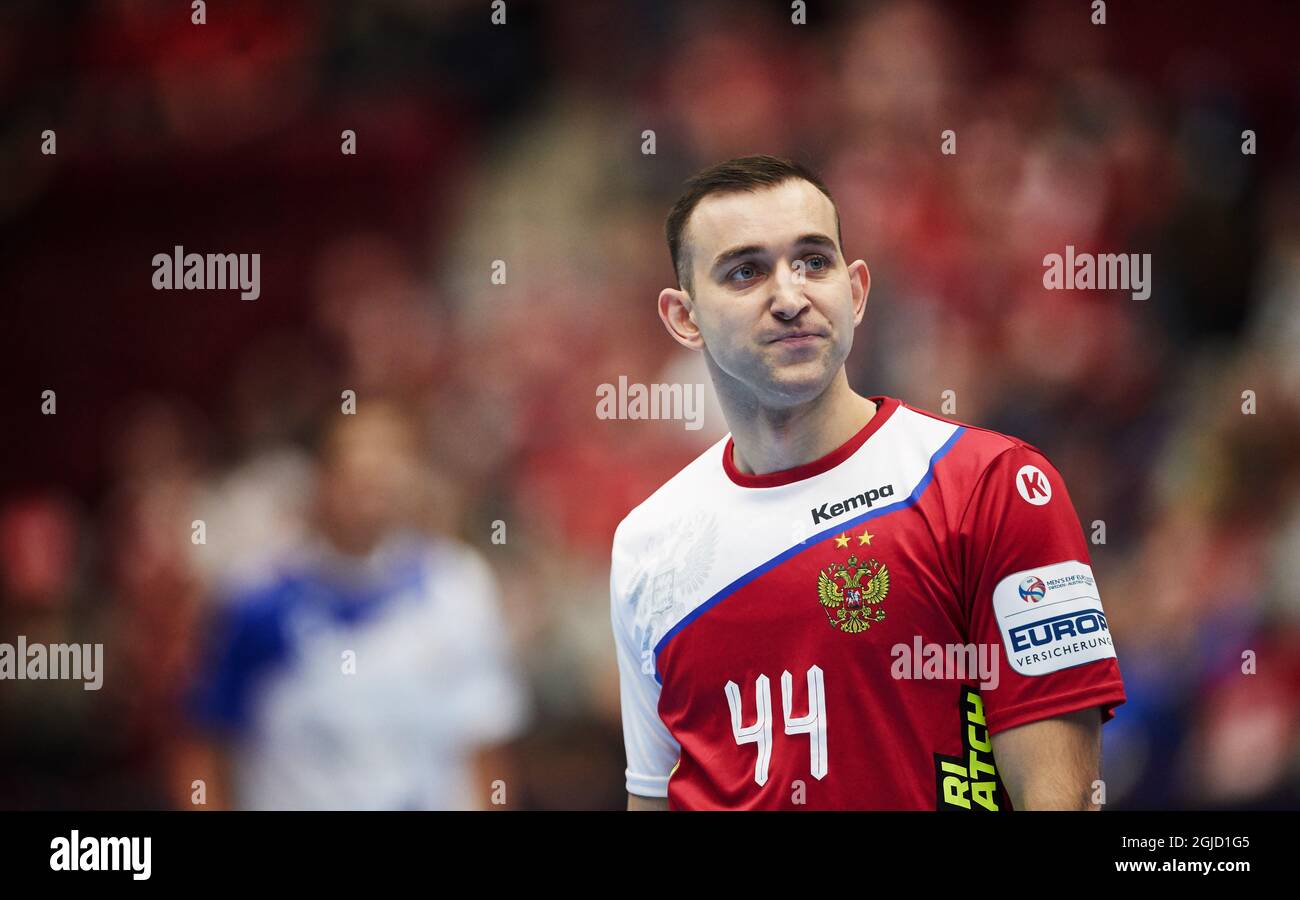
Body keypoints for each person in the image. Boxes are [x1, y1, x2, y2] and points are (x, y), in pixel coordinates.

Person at [610, 155, 1126, 810]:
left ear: (855, 291)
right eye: (746, 272)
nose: (791, 298)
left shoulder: (994, 485)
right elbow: (653, 798)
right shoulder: (648, 544)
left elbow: (1062, 799)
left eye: (813, 261)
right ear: (683, 318)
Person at [181, 403, 528, 809]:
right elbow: (202, 746)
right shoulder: (256, 598)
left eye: (387, 469)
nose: (370, 489)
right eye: (355, 470)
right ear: (321, 476)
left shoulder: (457, 588)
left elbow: (485, 747)